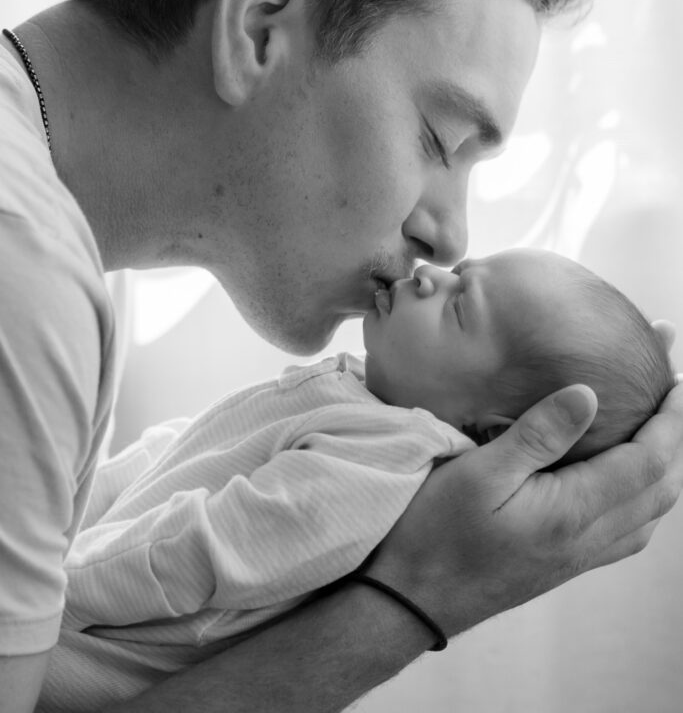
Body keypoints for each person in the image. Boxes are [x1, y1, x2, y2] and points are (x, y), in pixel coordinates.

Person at [1, 0, 682, 713]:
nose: (449, 232)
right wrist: (421, 596)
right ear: (261, 22)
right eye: (440, 141)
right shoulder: (21, 271)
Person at [37, 247, 675, 712]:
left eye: (460, 307)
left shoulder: (380, 466)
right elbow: (176, 453)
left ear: (488, 431)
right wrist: (62, 513)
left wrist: (59, 589)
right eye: (461, 272)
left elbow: (202, 551)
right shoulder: (366, 404)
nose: (429, 274)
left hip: (97, 653)